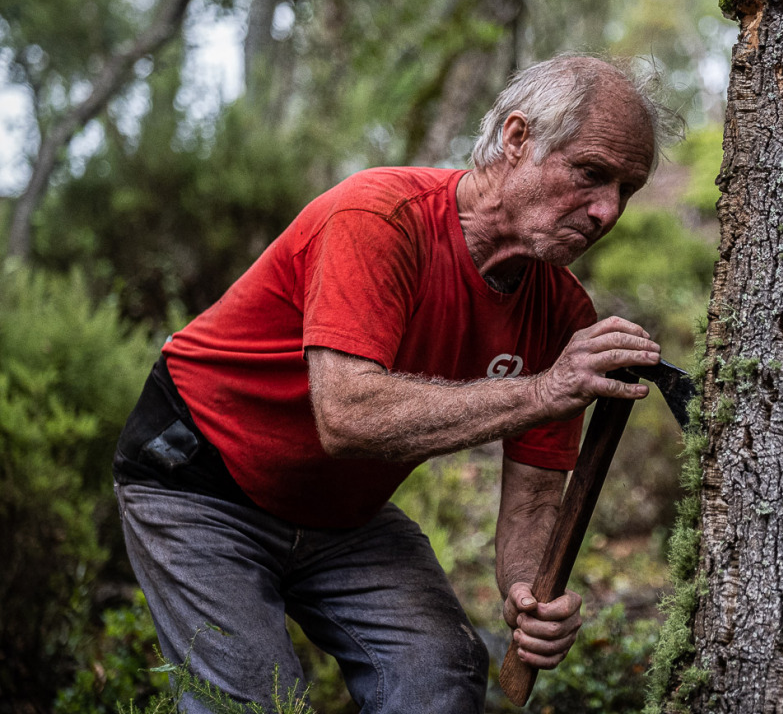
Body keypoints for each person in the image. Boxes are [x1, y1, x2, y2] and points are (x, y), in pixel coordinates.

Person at [113, 54, 682, 713]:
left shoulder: (561, 316)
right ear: (518, 139)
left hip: (339, 514)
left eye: (627, 190)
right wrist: (540, 391)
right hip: (198, 481)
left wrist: (528, 595)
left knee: (439, 676)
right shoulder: (381, 217)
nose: (607, 211)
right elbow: (347, 415)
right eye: (592, 174)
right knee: (255, 703)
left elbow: (530, 503)